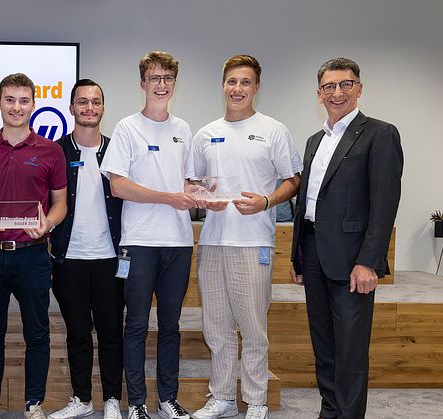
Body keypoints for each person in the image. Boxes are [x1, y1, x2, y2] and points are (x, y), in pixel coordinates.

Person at [190, 55, 302, 419]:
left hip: (253, 243)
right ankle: (221, 397)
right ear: (222, 85)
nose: (237, 89)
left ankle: (256, 400)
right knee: (217, 327)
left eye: (245, 82)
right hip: (212, 242)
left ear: (256, 87)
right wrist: (205, 199)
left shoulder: (273, 130)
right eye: (232, 82)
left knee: (253, 328)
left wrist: (267, 200)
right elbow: (193, 184)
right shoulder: (205, 134)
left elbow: (293, 180)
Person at [290, 57, 403, 419]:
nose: (336, 92)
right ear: (318, 93)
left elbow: (384, 204)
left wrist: (369, 261)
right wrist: (299, 258)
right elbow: (308, 202)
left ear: (359, 88)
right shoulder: (314, 141)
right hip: (314, 254)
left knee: (351, 351)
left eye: (345, 84)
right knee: (324, 347)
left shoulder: (380, 134)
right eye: (329, 86)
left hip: (353, 261)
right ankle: (330, 413)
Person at [0, 73, 67, 419]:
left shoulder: (51, 151)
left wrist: (48, 224)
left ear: (33, 105)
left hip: (33, 255)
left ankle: (33, 403)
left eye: (24, 100)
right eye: (10, 100)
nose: (17, 107)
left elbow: (60, 204)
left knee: (37, 333)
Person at [100, 51, 196, 419]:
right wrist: (167, 197)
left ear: (174, 83)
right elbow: (119, 186)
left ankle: (168, 399)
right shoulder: (127, 128)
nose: (160, 84)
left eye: (167, 78)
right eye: (154, 78)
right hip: (138, 243)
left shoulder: (183, 129)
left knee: (170, 325)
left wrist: (201, 197)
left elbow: (187, 183)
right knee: (136, 324)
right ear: (142, 83)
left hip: (178, 242)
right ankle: (137, 402)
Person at [48, 79, 124, 419]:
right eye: (82, 102)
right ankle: (82, 398)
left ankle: (111, 398)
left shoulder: (118, 149)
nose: (89, 108)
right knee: (77, 332)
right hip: (68, 258)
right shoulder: (56, 152)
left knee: (111, 332)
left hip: (111, 259)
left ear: (103, 108)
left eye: (95, 102)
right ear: (71, 107)